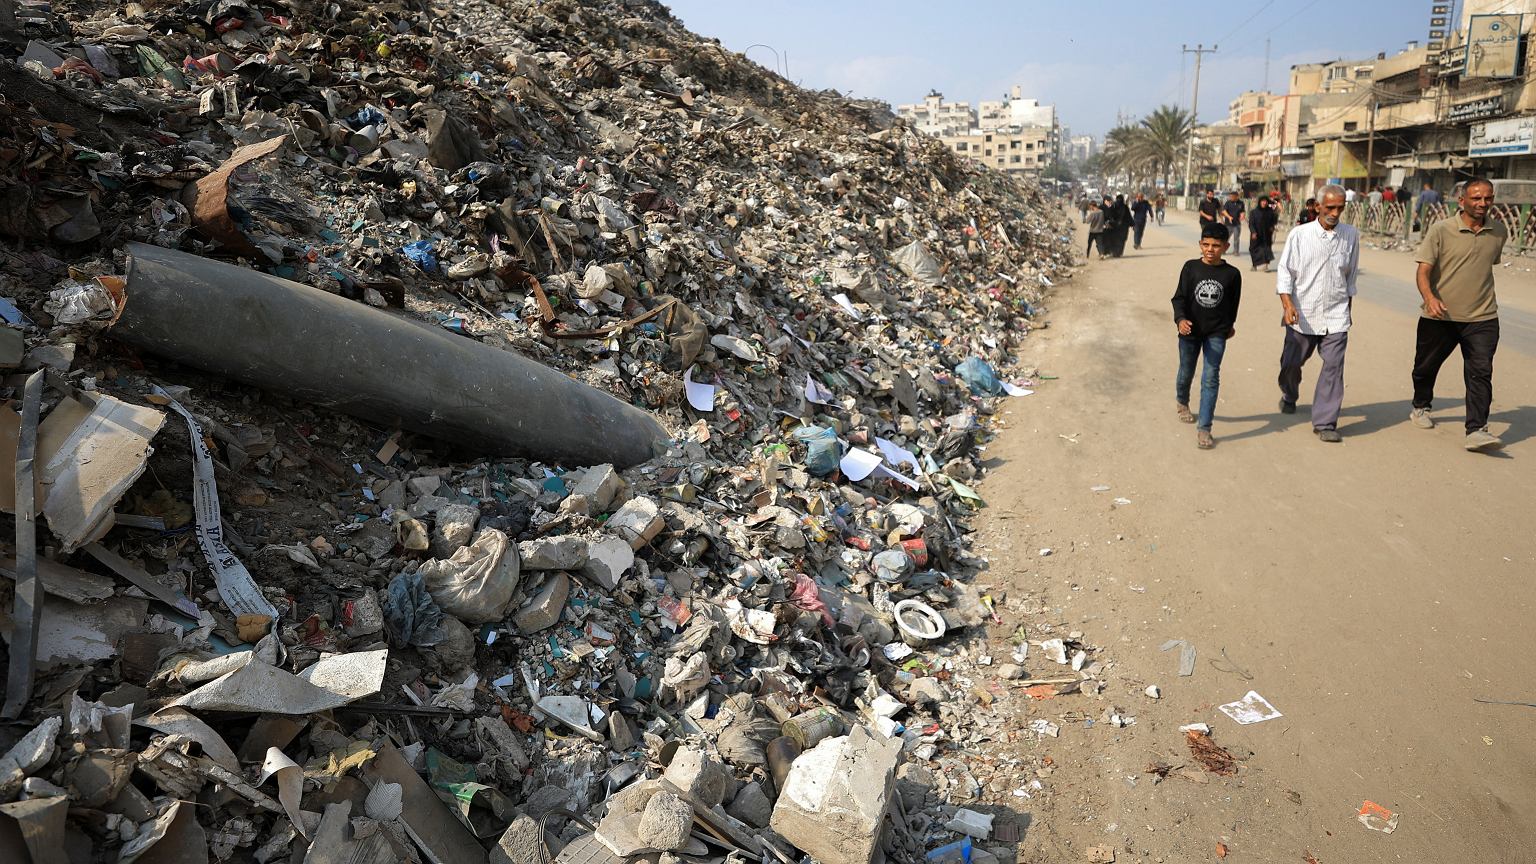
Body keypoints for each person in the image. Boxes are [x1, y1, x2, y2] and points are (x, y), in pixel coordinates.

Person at [1409, 177, 1507, 452]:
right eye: (1476, 198)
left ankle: (1477, 429)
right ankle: (1421, 405)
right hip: (1439, 317)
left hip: (1483, 316)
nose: (1482, 203)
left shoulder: (1499, 231)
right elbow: (1423, 270)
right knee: (1425, 368)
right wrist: (1430, 298)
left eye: (1487, 198)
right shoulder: (1441, 230)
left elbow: (1486, 264)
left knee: (1480, 372)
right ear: (1462, 200)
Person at [1275, 185, 1358, 443]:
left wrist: (1347, 312)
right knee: (1291, 364)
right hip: (1303, 314)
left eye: (1340, 208)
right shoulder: (1299, 235)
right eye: (1330, 207)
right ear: (1318, 206)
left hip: (1336, 315)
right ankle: (1289, 394)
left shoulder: (1351, 235)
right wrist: (1287, 305)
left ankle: (1325, 422)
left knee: (1333, 367)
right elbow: (1285, 272)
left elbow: (1350, 277)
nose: (1335, 213)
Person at [1171, 222, 1242, 449]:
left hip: (1216, 333)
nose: (1210, 249)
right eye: (1206, 245)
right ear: (1200, 244)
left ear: (1226, 247)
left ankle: (1204, 428)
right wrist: (1180, 320)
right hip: (1190, 331)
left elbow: (1233, 304)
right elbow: (1179, 298)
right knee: (1186, 371)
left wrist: (1229, 326)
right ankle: (1182, 400)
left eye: (1216, 245)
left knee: (1210, 377)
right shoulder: (1190, 268)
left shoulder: (1232, 275)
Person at [1248, 195, 1278, 272]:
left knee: (1266, 249)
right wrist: (1253, 232)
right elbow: (1251, 224)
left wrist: (1272, 227)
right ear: (1260, 202)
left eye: (1265, 201)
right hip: (1256, 233)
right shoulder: (1254, 212)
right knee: (1253, 249)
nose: (1264, 203)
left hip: (1267, 234)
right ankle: (1254, 265)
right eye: (1263, 201)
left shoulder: (1270, 212)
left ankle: (1266, 266)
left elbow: (1274, 221)